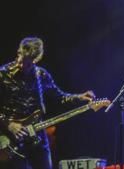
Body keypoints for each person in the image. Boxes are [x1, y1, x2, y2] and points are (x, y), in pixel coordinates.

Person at [0, 37, 96, 169]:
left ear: (36, 60)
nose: (22, 66)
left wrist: (79, 97)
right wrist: (9, 124)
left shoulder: (42, 75)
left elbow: (60, 97)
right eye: (20, 60)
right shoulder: (3, 74)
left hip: (37, 136)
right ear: (18, 52)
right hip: (11, 138)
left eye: (28, 64)